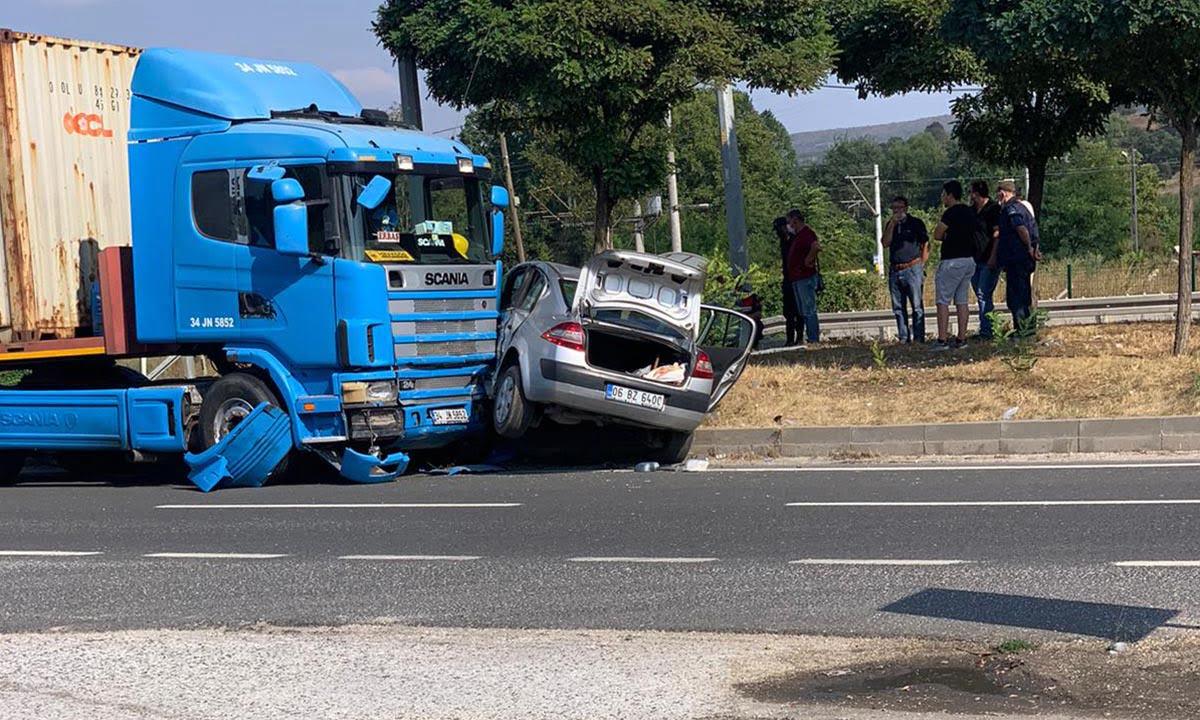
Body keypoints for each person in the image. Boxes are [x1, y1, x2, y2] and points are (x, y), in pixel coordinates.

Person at [932, 181, 977, 349]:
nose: (943, 198)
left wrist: (948, 237)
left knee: (943, 300)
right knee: (962, 300)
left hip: (952, 261)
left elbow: (937, 234)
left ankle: (942, 339)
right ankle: (961, 338)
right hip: (969, 260)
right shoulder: (969, 212)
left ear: (950, 195)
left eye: (944, 194)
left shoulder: (950, 213)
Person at [991, 180, 1041, 332]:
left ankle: (1022, 330)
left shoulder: (1011, 209)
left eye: (998, 194)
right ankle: (1028, 327)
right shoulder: (1022, 207)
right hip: (1023, 258)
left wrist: (1028, 248)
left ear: (1003, 193)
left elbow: (1021, 229)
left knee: (1016, 298)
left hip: (1016, 258)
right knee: (1024, 294)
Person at [882, 195, 929, 343]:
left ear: (906, 208)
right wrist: (892, 225)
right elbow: (885, 243)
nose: (897, 211)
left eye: (900, 208)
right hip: (895, 269)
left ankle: (919, 337)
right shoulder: (891, 224)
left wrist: (922, 263)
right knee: (898, 307)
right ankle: (903, 336)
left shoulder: (915, 223)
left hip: (912, 267)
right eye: (894, 208)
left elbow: (925, 243)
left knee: (916, 306)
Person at [969, 180, 1002, 339]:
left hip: (989, 259)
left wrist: (993, 256)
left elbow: (997, 233)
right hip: (974, 260)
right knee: (980, 294)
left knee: (983, 293)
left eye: (972, 192)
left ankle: (987, 331)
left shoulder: (993, 209)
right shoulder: (972, 211)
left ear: (976, 193)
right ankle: (989, 326)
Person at [784, 209, 821, 344]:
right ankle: (810, 337)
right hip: (798, 278)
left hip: (804, 277)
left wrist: (808, 260)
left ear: (795, 220)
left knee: (808, 309)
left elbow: (816, 246)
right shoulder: (798, 236)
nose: (788, 226)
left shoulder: (807, 233)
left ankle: (813, 339)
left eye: (789, 222)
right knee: (803, 310)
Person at [774, 216, 800, 346]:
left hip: (796, 279)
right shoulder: (784, 241)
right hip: (788, 279)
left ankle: (799, 337)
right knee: (788, 312)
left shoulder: (794, 239)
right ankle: (790, 339)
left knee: (797, 311)